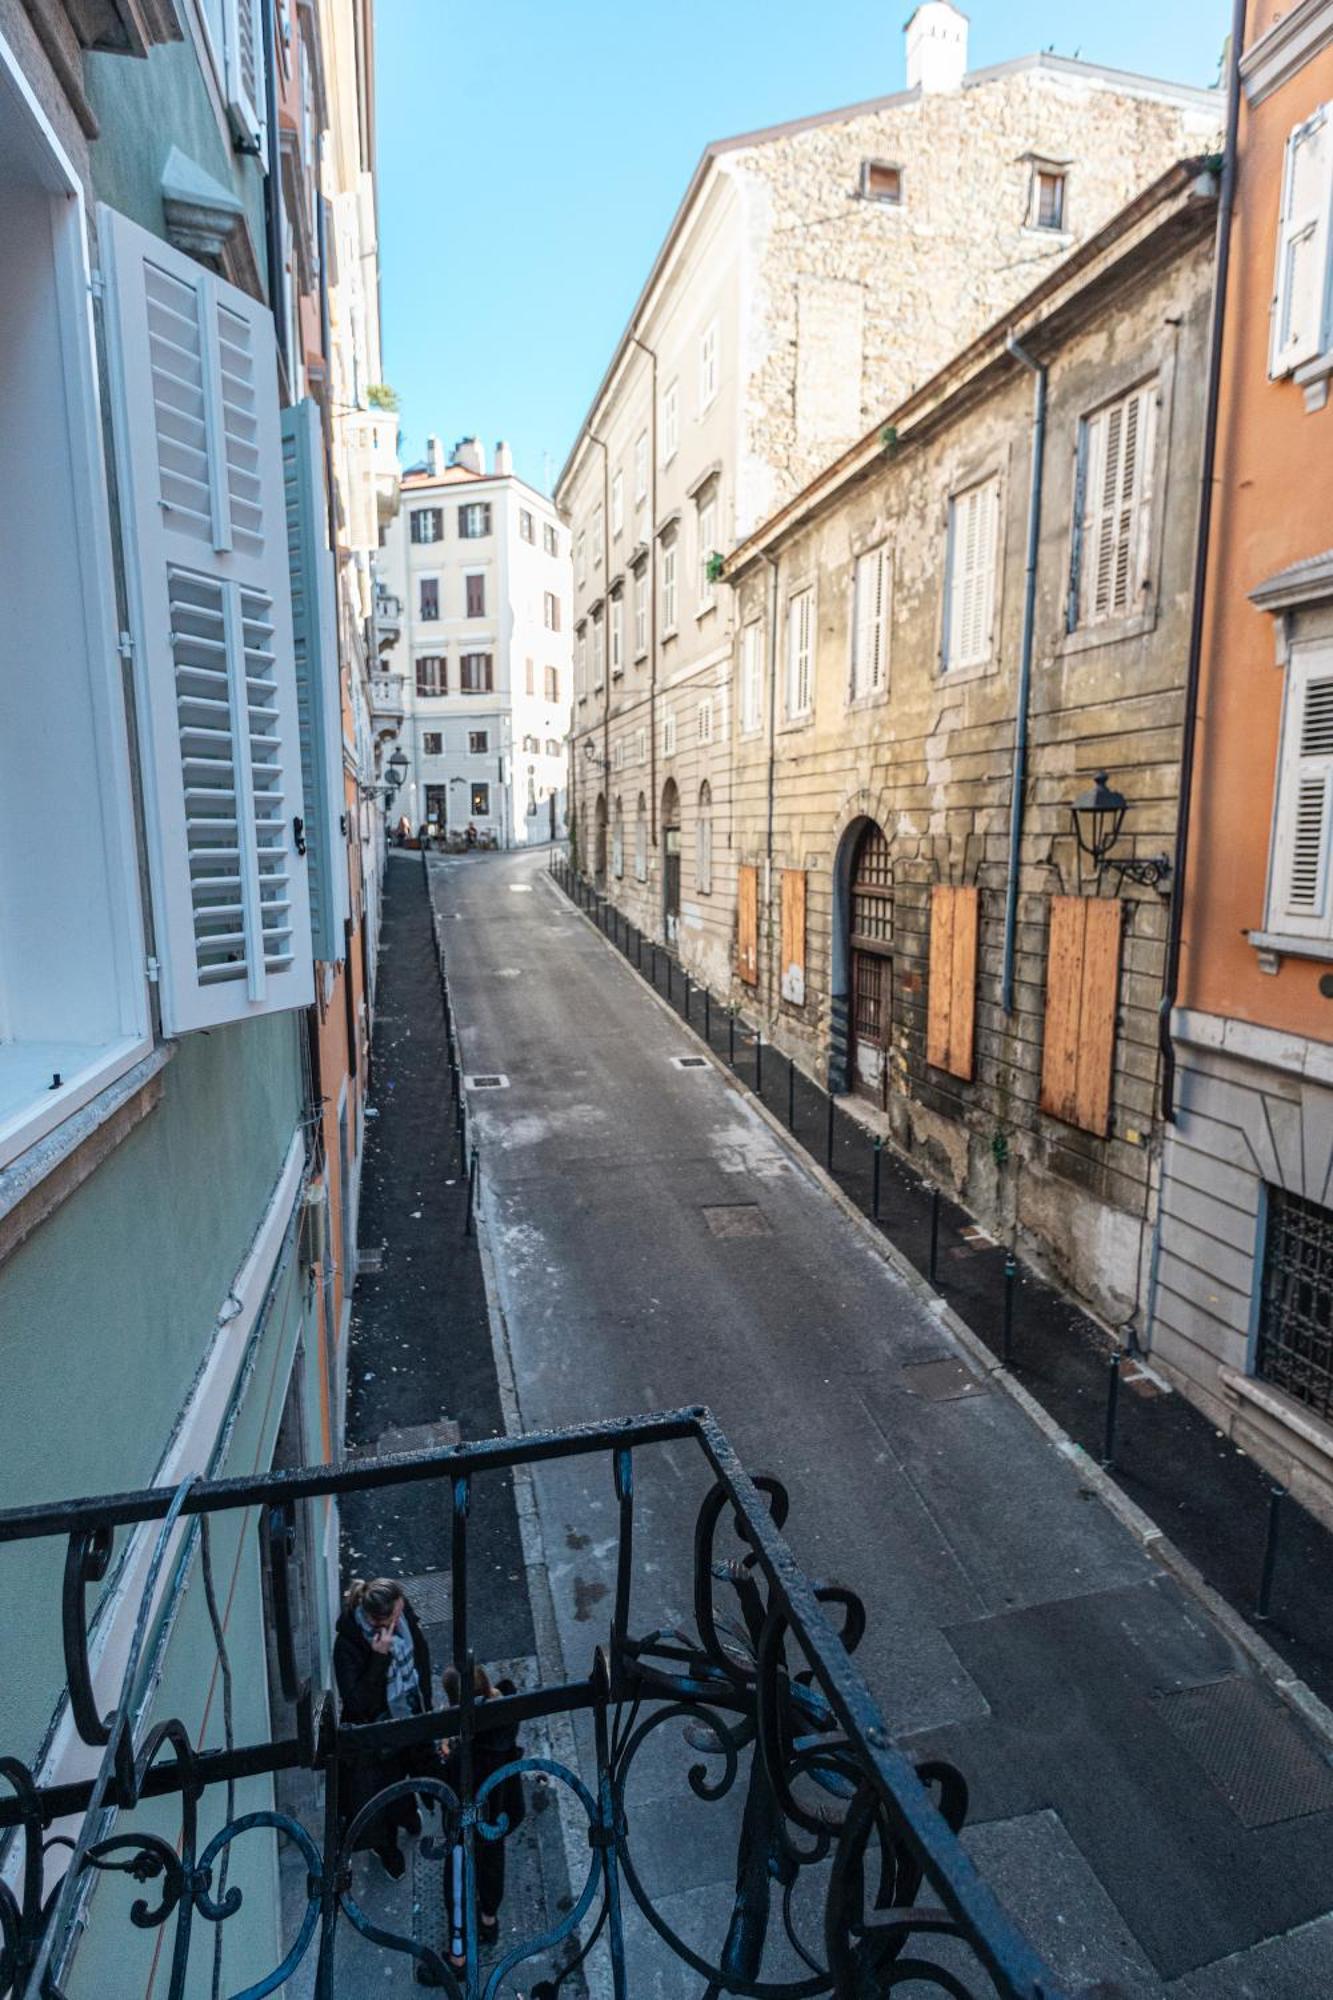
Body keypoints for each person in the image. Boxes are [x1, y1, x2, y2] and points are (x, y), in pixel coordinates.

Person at [333, 1577, 436, 1881]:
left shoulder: (401, 1617)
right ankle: (387, 1847)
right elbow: (357, 1703)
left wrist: (424, 1703)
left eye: (400, 1611)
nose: (399, 1617)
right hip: (377, 1736)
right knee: (380, 1790)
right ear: (376, 1617)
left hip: (409, 1716)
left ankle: (407, 1814)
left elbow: (420, 1660)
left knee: (410, 1772)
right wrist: (378, 1659)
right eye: (393, 1616)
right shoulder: (349, 1645)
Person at [437, 1665, 525, 1972]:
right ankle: (489, 1920)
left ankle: (457, 1957)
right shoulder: (506, 1708)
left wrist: (446, 1750)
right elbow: (506, 1687)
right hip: (499, 1811)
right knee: (492, 1863)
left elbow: (445, 1783)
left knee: (457, 1881)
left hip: (468, 1821)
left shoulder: (468, 1750)